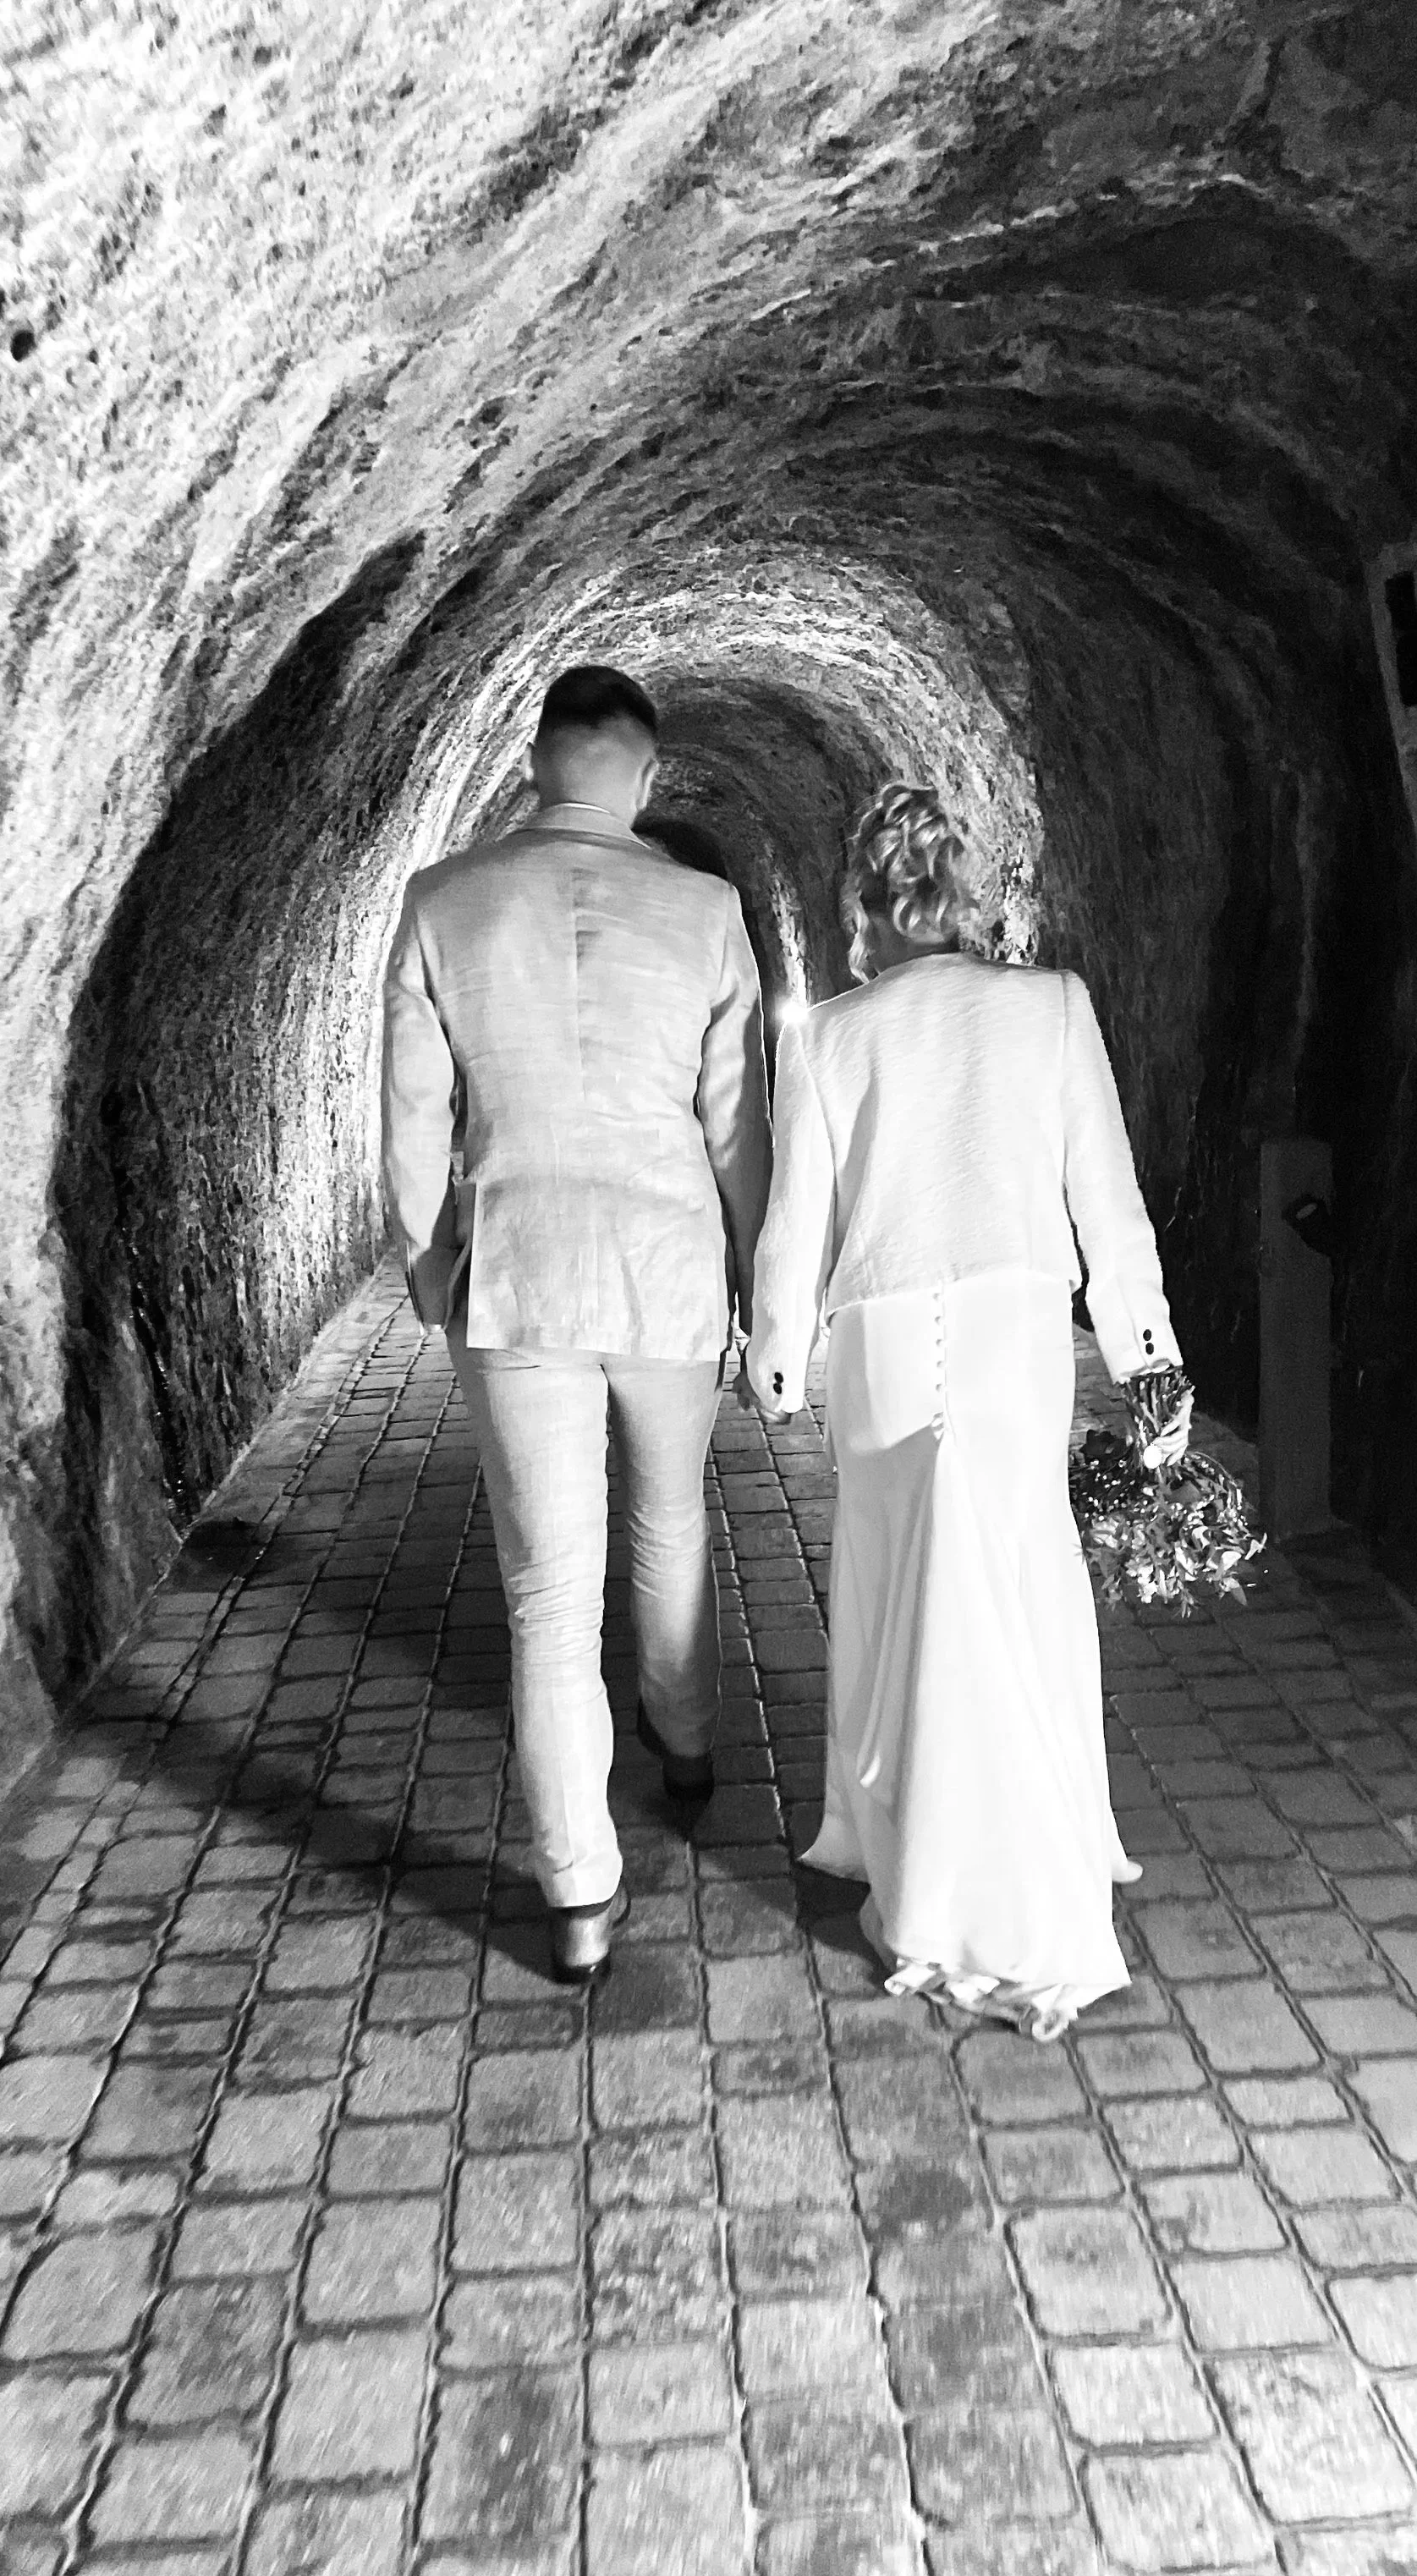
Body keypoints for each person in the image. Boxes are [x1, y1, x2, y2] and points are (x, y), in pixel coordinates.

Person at [741, 781, 1189, 2039]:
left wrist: (774, 1356)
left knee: (897, 1603)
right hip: (1010, 1341)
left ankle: (918, 1871)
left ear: (861, 911)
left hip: (879, 1343)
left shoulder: (827, 1035)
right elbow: (1112, 1204)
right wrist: (1148, 1359)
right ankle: (1031, 1861)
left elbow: (796, 1228)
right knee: (1019, 1593)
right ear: (965, 893)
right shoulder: (1050, 1009)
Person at [382, 664, 772, 1981]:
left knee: (548, 1594)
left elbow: (413, 1113)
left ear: (533, 760)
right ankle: (688, 1742)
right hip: (665, 1271)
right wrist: (760, 1269)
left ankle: (579, 1893)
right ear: (645, 777)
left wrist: (432, 1261)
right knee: (671, 1520)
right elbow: (738, 1127)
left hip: (518, 1273)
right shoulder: (708, 910)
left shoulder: (445, 903)